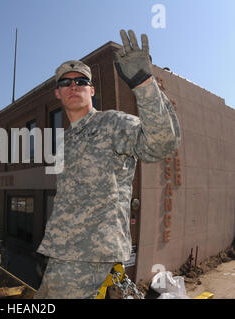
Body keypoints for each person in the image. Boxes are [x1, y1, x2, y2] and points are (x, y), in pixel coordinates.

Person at [34, 30, 181, 299]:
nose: (74, 86)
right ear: (58, 93)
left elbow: (161, 143)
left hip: (90, 250)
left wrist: (143, 82)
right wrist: (53, 246)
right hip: (64, 251)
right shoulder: (68, 139)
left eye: (81, 81)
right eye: (66, 83)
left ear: (92, 90)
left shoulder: (112, 123)